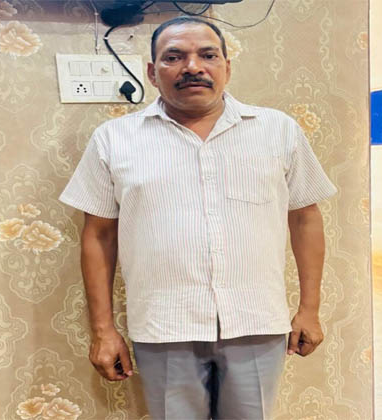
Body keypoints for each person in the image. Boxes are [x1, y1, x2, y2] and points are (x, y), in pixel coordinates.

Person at [59, 16, 337, 420]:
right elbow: (98, 236)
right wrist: (103, 330)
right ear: (152, 72)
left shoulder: (278, 131)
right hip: (164, 327)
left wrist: (309, 309)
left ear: (227, 66)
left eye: (208, 55)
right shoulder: (114, 140)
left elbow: (305, 219)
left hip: (256, 322)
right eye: (174, 57)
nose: (193, 67)